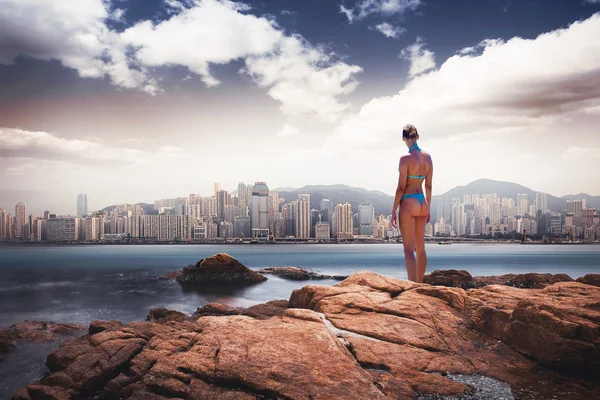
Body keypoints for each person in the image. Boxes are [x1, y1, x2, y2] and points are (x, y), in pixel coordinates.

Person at [391, 124, 433, 283]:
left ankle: (412, 287)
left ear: (403, 138)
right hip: (422, 202)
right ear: (418, 136)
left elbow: (401, 187)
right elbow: (428, 186)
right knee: (420, 248)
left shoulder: (405, 159)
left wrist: (394, 209)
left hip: (409, 202)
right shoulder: (428, 157)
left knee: (409, 249)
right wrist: (428, 207)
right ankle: (420, 284)